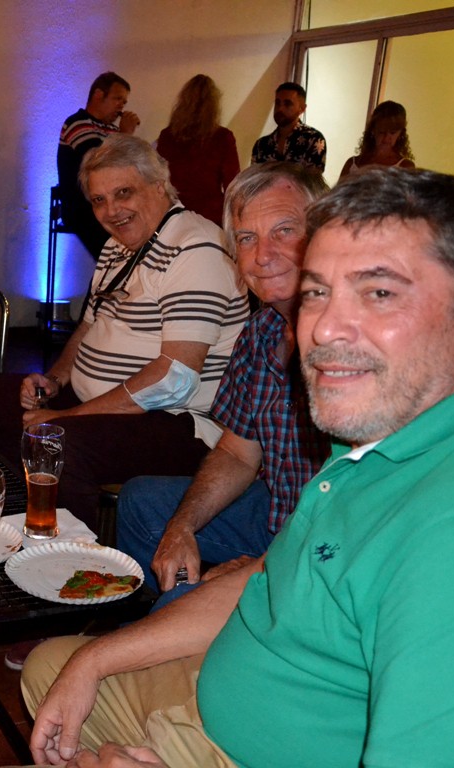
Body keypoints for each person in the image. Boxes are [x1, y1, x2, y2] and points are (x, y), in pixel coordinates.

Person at [22, 166, 454, 767]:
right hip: (245, 657)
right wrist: (98, 655)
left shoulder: (450, 529)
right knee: (54, 663)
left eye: (380, 293)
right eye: (318, 292)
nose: (327, 329)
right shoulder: (360, 433)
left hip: (241, 727)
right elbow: (241, 458)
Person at [0, 134, 249, 527]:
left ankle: (73, 566)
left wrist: (70, 416)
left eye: (124, 192)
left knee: (60, 442)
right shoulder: (116, 247)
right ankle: (11, 526)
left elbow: (174, 380)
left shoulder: (196, 249)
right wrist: (54, 381)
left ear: (159, 186)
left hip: (178, 421)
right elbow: (89, 327)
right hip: (109, 406)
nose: (112, 210)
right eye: (98, 200)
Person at [117, 162, 330, 604]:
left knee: (180, 605)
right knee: (143, 503)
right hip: (275, 514)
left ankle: (165, 641)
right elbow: (237, 452)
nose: (262, 255)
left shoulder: (351, 344)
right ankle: (140, 631)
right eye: (247, 238)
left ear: (326, 232)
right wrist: (182, 526)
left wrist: (261, 565)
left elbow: (361, 513)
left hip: (328, 548)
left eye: (284, 230)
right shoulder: (262, 332)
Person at [57, 72, 141, 258]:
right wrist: (125, 135)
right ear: (97, 95)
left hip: (107, 204)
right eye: (117, 99)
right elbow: (98, 163)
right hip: (82, 207)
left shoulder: (112, 130)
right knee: (114, 257)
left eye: (124, 102)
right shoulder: (77, 123)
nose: (121, 107)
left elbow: (127, 165)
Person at [154, 74, 240, 226]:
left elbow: (157, 178)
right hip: (210, 215)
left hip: (174, 212)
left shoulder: (167, 136)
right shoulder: (223, 137)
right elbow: (232, 184)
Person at [251, 81, 326, 171]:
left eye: (288, 104)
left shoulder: (313, 139)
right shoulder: (262, 145)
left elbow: (312, 182)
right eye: (277, 103)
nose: (280, 108)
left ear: (302, 109)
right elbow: (254, 181)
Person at [338, 100, 416, 181]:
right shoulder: (353, 163)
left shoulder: (405, 167)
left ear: (400, 133)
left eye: (392, 133)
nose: (386, 138)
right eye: (382, 132)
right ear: (373, 130)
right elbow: (338, 193)